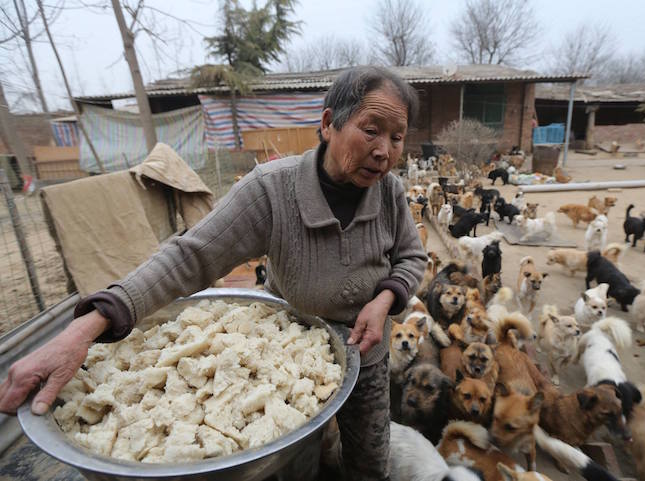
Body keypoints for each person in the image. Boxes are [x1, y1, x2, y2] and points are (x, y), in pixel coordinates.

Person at [0, 66, 426, 480]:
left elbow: (412, 259)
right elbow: (189, 257)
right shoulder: (273, 191)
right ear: (329, 123)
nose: (384, 150)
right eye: (371, 130)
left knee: (371, 462)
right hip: (291, 359)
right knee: (298, 457)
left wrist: (384, 299)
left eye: (397, 137)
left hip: (367, 354)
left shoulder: (390, 193)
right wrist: (84, 330)